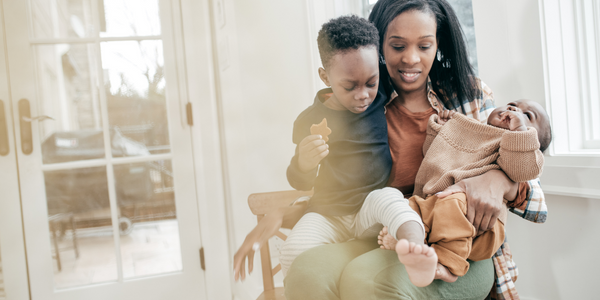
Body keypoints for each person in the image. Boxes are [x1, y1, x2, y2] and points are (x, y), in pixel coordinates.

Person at [235, 1, 548, 299]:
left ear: (438, 44)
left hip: (457, 244)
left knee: (367, 279)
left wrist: (497, 182)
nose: (411, 59)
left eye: (424, 46)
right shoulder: (365, 101)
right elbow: (344, 189)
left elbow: (527, 172)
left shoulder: (467, 94)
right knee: (307, 272)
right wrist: (286, 211)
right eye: (398, 46)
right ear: (379, 46)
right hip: (381, 231)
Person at [376, 100, 551, 286]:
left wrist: (520, 133)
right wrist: (440, 130)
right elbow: (433, 157)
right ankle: (412, 243)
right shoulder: (471, 129)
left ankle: (448, 265)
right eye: (511, 104)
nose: (514, 110)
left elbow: (522, 170)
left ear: (534, 141)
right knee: (408, 205)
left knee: (453, 205)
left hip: (480, 223)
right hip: (437, 202)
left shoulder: (513, 148)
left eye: (528, 115)